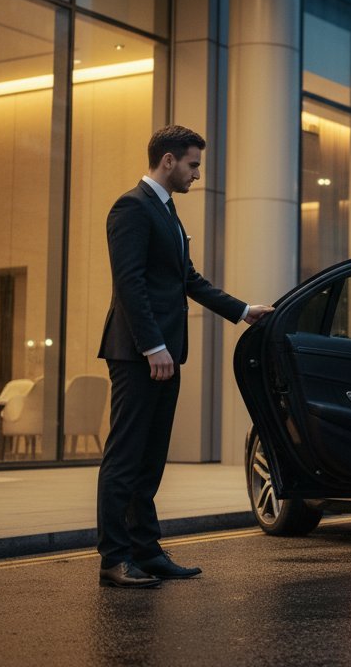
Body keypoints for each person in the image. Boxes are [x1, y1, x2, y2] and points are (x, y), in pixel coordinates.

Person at [96, 125, 273, 588]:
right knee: (126, 456)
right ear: (169, 160)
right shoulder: (131, 207)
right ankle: (114, 560)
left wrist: (242, 311)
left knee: (151, 458)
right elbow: (129, 283)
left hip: (167, 354)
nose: (198, 174)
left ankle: (145, 551)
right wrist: (152, 346)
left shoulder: (167, 212)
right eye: (193, 164)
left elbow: (188, 279)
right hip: (140, 354)